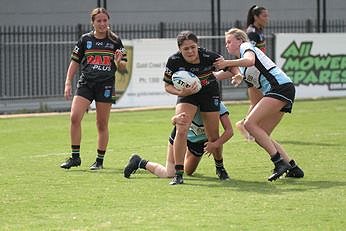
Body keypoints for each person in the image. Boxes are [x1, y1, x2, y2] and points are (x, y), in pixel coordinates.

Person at [213, 28, 304, 181]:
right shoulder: (240, 64)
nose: (227, 45)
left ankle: (278, 163)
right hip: (282, 89)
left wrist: (227, 63)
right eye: (225, 43)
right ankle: (293, 167)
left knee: (249, 124)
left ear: (240, 40)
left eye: (229, 41)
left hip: (279, 87)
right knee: (262, 135)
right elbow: (217, 75)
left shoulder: (246, 47)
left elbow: (250, 61)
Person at [162, 30, 238, 185]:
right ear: (179, 49)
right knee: (181, 127)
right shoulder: (174, 61)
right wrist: (180, 91)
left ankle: (220, 167)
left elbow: (229, 67)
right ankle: (178, 174)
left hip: (209, 93)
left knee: (213, 135)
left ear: (198, 46)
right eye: (186, 49)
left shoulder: (208, 56)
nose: (190, 51)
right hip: (187, 94)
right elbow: (167, 86)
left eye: (193, 47)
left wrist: (237, 74)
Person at [60, 7, 127, 170]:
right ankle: (75, 158)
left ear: (108, 21)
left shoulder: (115, 41)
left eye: (105, 20)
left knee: (101, 124)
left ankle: (99, 161)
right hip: (86, 84)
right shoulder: (85, 40)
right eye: (99, 21)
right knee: (75, 117)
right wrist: (68, 82)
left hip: (105, 85)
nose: (102, 23)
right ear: (93, 23)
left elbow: (123, 67)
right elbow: (75, 62)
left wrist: (119, 62)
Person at [123, 102, 233, 180]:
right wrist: (175, 119)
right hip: (179, 137)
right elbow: (173, 120)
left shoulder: (216, 104)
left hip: (198, 142)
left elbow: (229, 131)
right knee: (169, 174)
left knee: (189, 171)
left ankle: (219, 167)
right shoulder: (189, 102)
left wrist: (214, 145)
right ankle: (139, 162)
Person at [236, 5, 269, 141]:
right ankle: (245, 125)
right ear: (256, 17)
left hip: (257, 70)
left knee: (257, 101)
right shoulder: (251, 33)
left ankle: (246, 125)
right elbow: (248, 53)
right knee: (258, 102)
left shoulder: (258, 31)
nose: (267, 18)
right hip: (252, 71)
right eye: (264, 16)